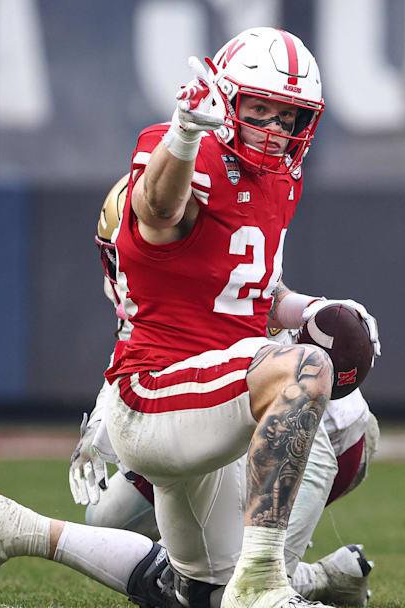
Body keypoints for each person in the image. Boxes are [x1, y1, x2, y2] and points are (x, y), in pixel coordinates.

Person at [0, 28, 380, 608]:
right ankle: (271, 579)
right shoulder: (182, 153)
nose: (275, 130)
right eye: (260, 109)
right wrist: (182, 134)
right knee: (303, 372)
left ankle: (7, 527)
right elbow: (157, 209)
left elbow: (250, 290)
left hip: (214, 393)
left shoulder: (278, 178)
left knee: (199, 596)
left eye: (289, 117)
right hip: (158, 390)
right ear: (225, 101)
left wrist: (317, 309)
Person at [68, 175, 380, 606]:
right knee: (107, 518)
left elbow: (266, 324)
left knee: (238, 589)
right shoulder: (138, 274)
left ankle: (285, 576)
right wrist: (107, 414)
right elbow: (138, 348)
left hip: (312, 432)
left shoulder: (216, 256)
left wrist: (315, 309)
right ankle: (318, 577)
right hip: (217, 413)